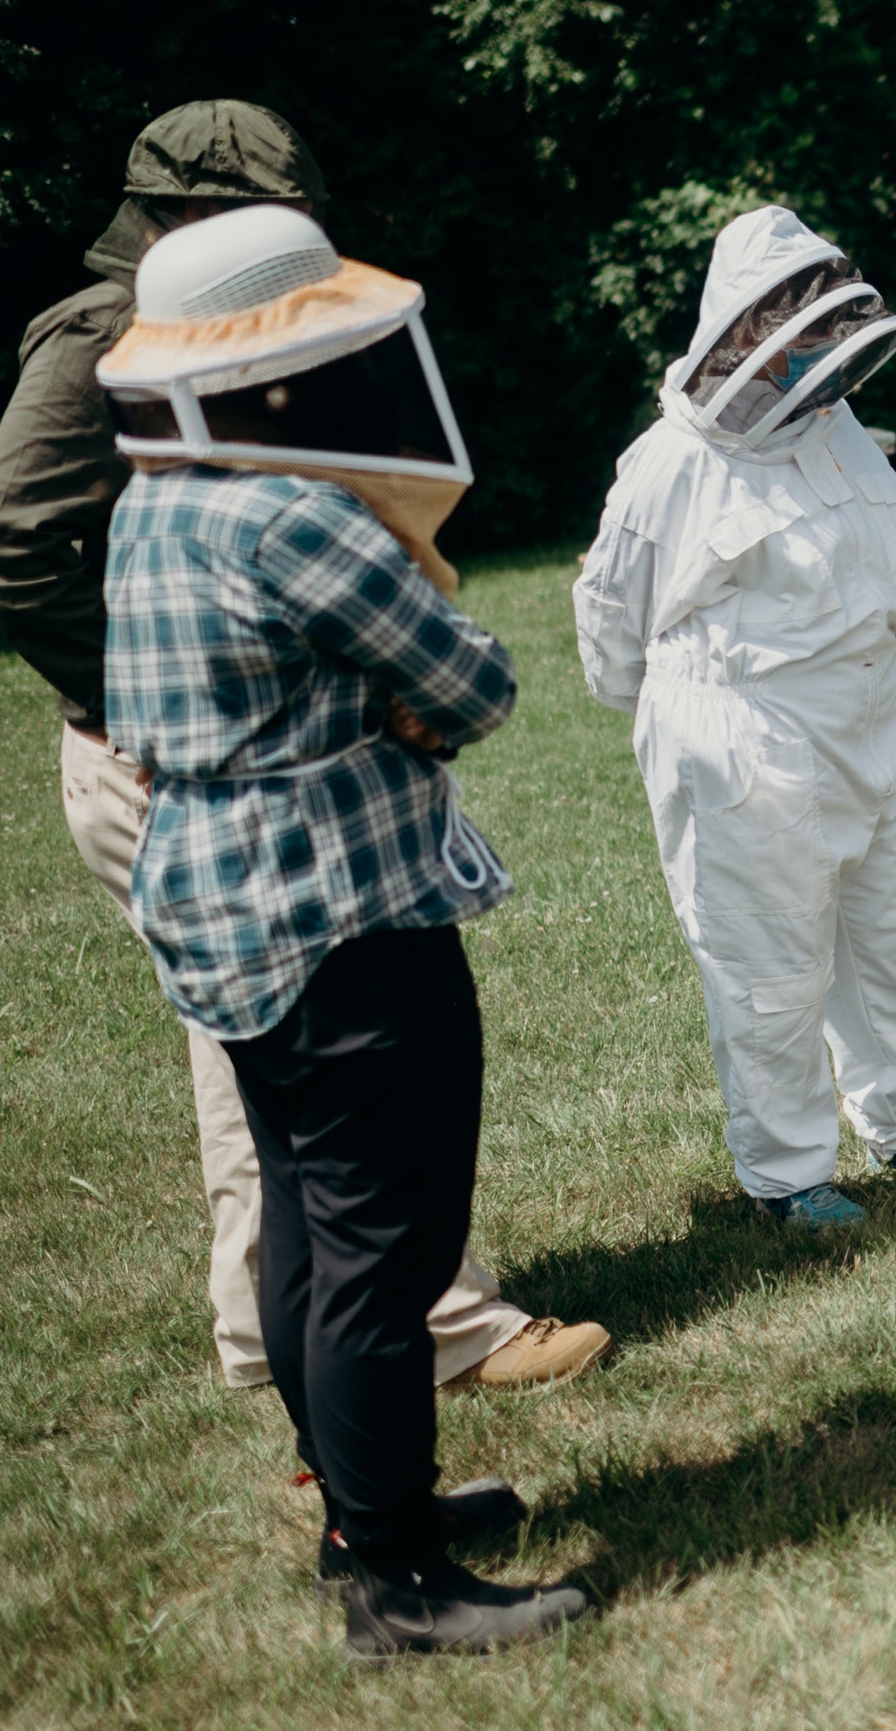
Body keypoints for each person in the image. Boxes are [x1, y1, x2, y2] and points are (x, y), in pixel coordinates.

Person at [0, 100, 605, 1396]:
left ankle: (283, 1336)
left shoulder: (155, 328)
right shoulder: (109, 336)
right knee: (321, 1068)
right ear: (200, 218)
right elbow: (0, 541)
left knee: (255, 1066)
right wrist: (152, 708)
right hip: (180, 763)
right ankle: (439, 1331)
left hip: (197, 755)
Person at [95, 203, 591, 1655]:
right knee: (385, 1244)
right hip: (340, 909)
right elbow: (473, 680)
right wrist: (398, 712)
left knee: (307, 1221)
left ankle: (362, 1522)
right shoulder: (291, 513)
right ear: (272, 375)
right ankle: (402, 1590)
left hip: (222, 905)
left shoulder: (153, 500)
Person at [575, 205, 896, 1232]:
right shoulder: (671, 463)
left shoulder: (837, 428)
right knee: (769, 961)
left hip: (877, 708)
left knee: (895, 936)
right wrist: (679, 719)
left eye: (824, 324)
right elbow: (610, 613)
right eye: (795, 325)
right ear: (742, 329)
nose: (815, 349)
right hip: (745, 734)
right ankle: (788, 1173)